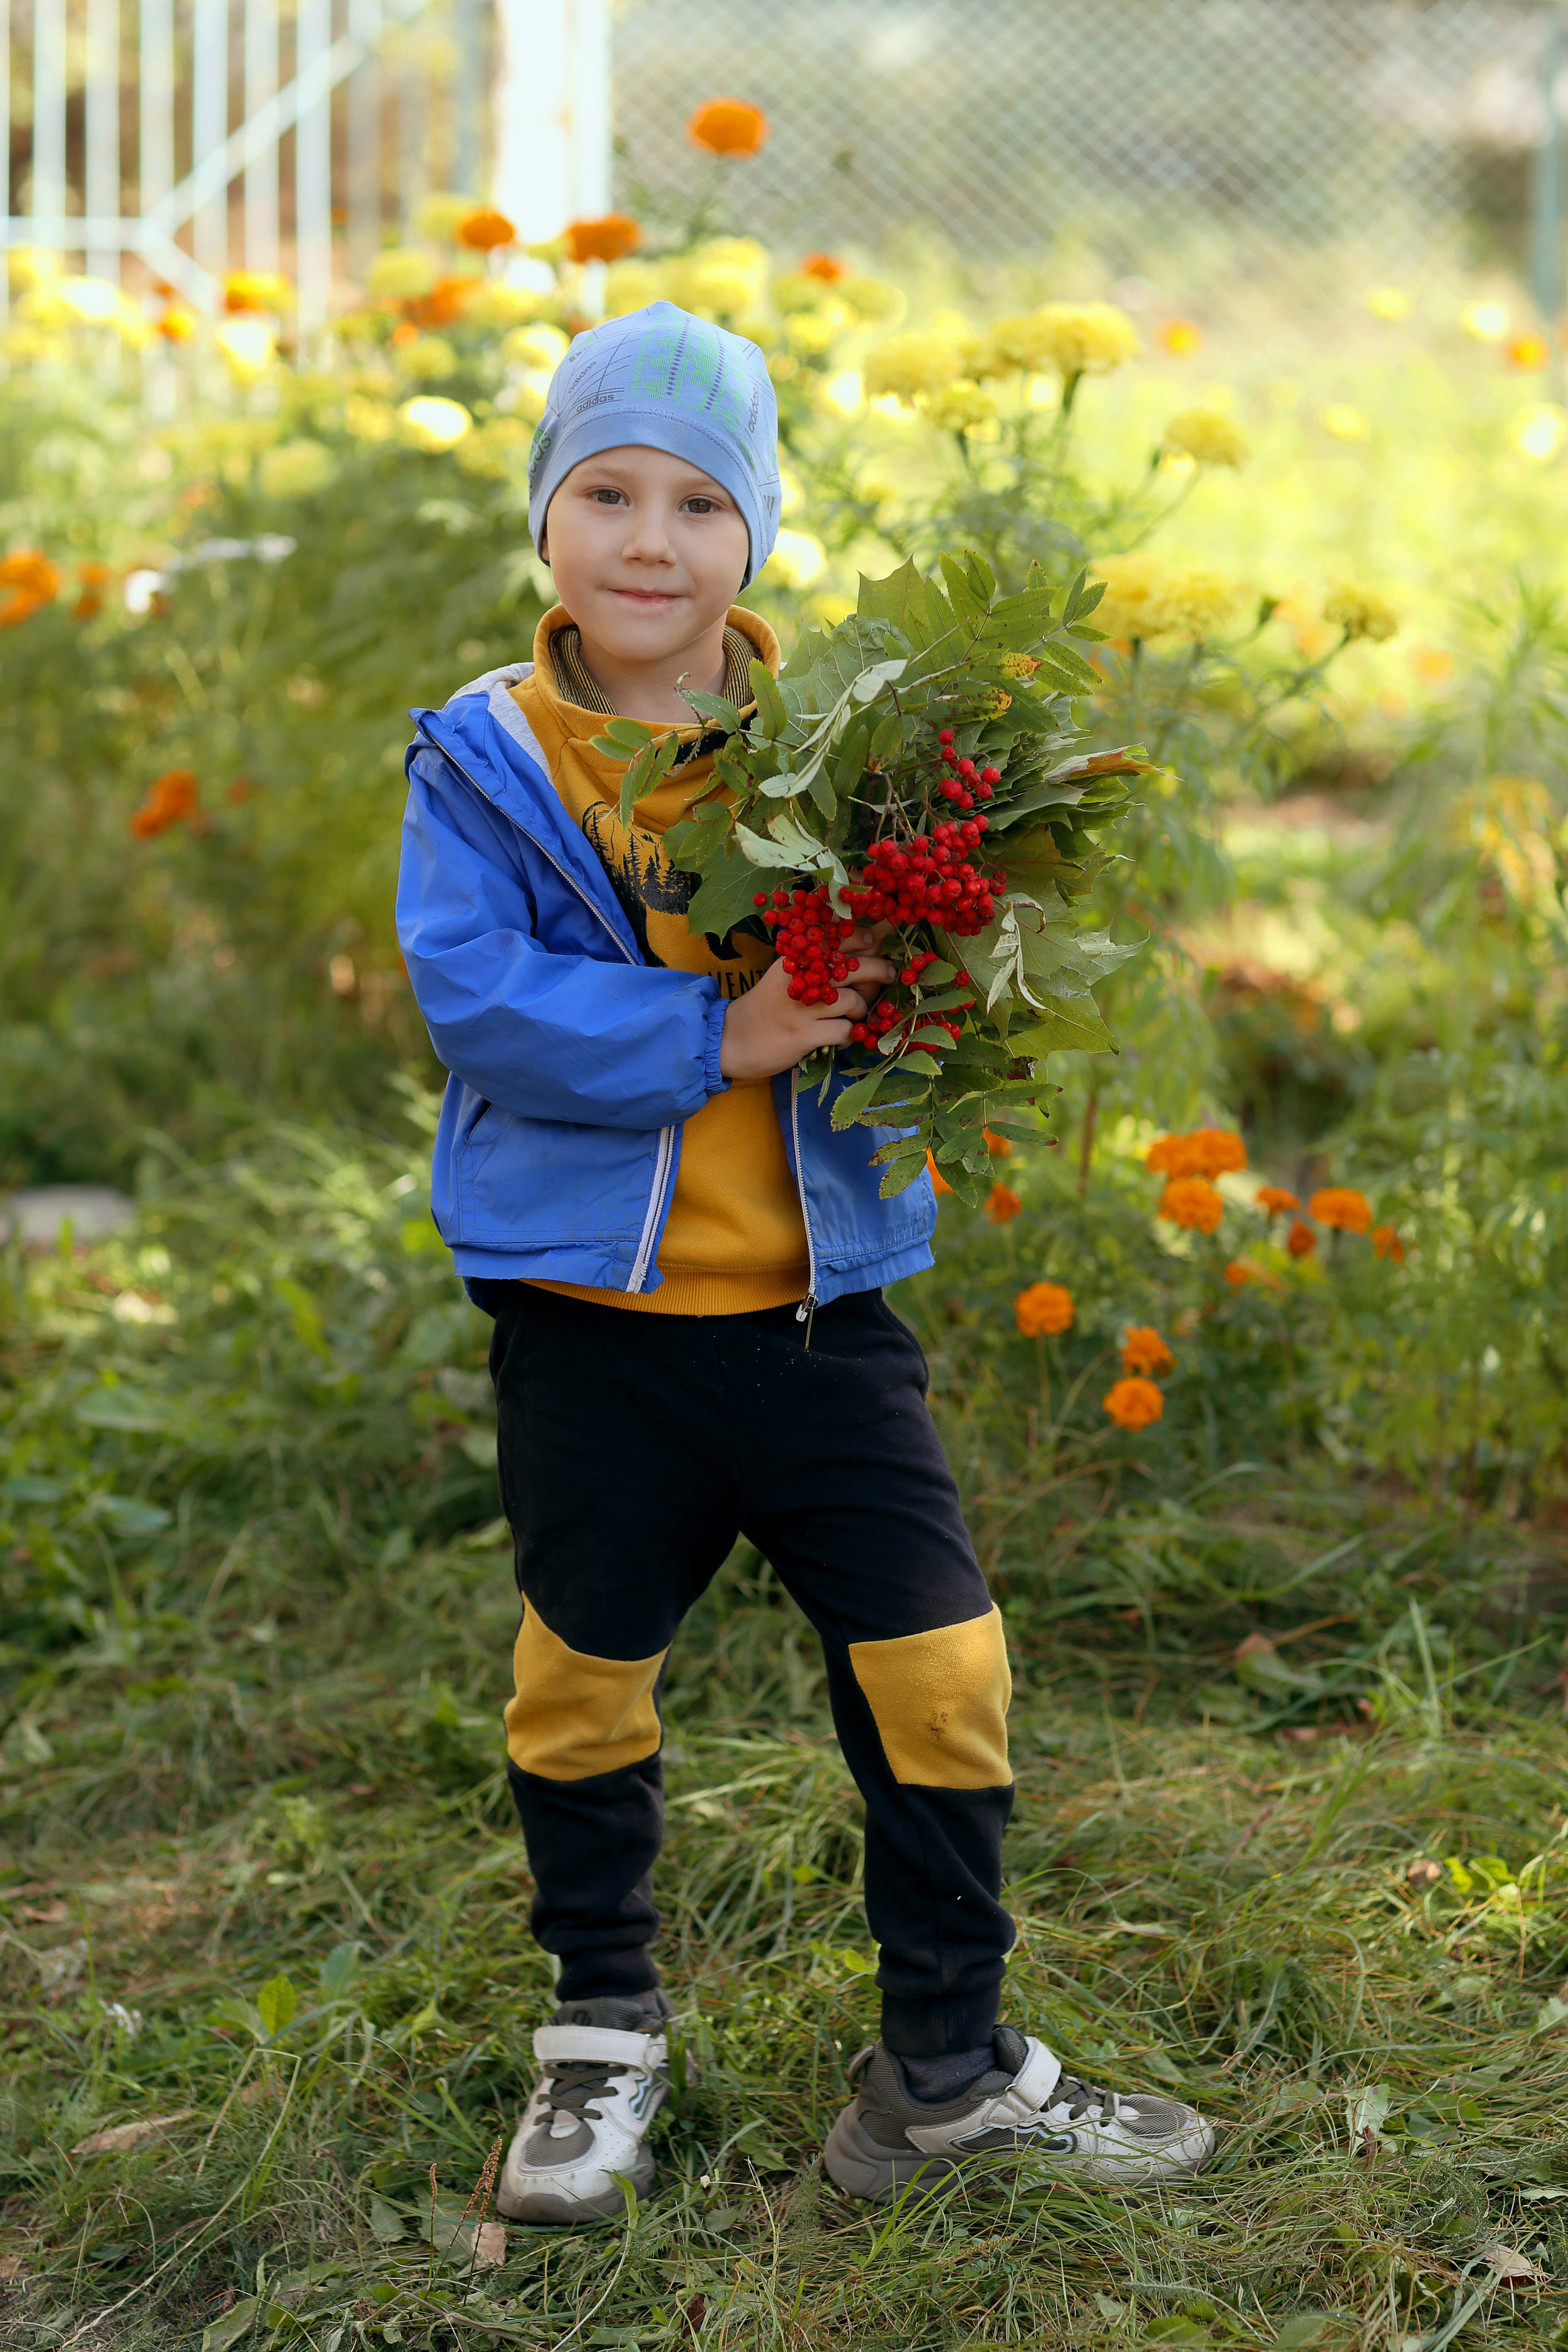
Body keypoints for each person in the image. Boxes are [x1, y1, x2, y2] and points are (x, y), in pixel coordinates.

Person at [395, 300, 1213, 2219]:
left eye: (698, 500)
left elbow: (926, 975)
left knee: (940, 1669)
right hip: (594, 1329)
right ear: (547, 518)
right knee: (581, 1678)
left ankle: (943, 2064)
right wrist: (724, 1037)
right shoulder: (487, 760)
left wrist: (946, 944)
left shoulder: (851, 746)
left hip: (821, 1320)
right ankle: (597, 2039)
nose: (650, 539)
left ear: (755, 536)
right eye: (605, 491)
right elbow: (474, 997)